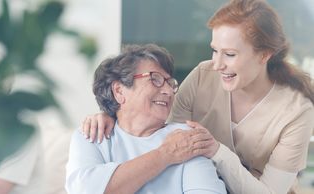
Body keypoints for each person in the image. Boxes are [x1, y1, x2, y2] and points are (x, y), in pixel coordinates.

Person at [81, 0, 314, 193]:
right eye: (215, 50)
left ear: (264, 55)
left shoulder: (297, 111)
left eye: (230, 54)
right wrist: (114, 114)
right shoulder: (204, 75)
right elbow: (161, 130)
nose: (217, 64)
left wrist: (217, 151)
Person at [65, 44, 226, 194]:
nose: (168, 91)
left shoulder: (186, 138)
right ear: (119, 91)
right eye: (155, 79)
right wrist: (165, 154)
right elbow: (85, 190)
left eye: (170, 83)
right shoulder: (92, 135)